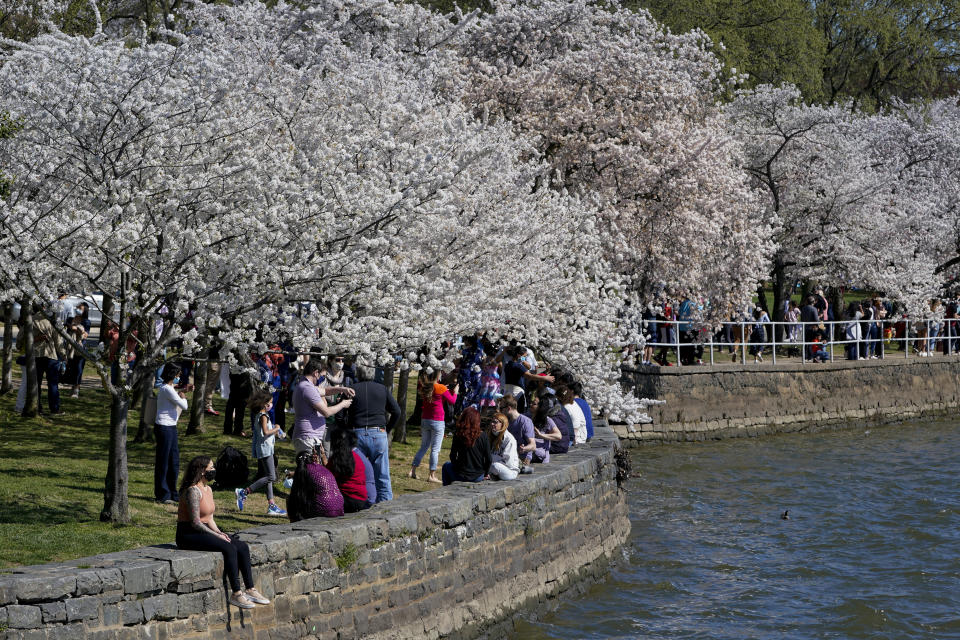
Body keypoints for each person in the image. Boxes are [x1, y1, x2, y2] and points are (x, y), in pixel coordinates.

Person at [176, 456, 269, 610]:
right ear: (201, 471)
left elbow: (209, 518)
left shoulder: (208, 489)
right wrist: (216, 536)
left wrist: (220, 532)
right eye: (211, 468)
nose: (214, 470)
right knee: (229, 548)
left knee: (242, 546)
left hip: (203, 530)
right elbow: (196, 522)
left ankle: (250, 589)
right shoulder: (193, 490)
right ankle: (236, 593)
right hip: (188, 534)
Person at [346, 361, 401, 502]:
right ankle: (385, 505)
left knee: (359, 472)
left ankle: (361, 501)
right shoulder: (382, 389)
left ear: (358, 373)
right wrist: (387, 429)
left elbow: (340, 414)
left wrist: (347, 429)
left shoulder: (351, 389)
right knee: (382, 474)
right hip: (378, 433)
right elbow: (396, 411)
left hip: (357, 432)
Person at [235, 391, 287, 516]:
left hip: (264, 448)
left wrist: (275, 430)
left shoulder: (261, 415)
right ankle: (245, 492)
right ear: (264, 404)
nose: (271, 405)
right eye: (270, 403)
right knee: (271, 477)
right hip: (266, 449)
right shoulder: (263, 416)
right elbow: (265, 431)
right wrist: (276, 428)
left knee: (268, 477)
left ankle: (272, 505)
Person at [291, 359, 354, 456]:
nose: (321, 378)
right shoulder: (307, 388)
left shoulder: (305, 385)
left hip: (309, 436)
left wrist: (343, 389)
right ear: (316, 373)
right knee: (312, 469)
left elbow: (325, 391)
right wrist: (343, 404)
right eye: (321, 375)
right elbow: (326, 412)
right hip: (308, 437)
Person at [409, 368, 458, 484]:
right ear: (437, 376)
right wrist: (455, 391)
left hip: (425, 420)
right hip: (437, 421)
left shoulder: (425, 386)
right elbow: (452, 401)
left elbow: (435, 390)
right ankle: (431, 475)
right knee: (435, 449)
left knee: (424, 446)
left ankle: (412, 470)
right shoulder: (440, 388)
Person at [155, 364, 190, 505]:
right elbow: (184, 406)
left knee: (173, 461)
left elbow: (174, 395)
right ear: (172, 375)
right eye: (177, 376)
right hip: (164, 427)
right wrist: (184, 396)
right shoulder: (165, 389)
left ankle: (172, 492)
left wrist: (181, 391)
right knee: (163, 461)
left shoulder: (169, 389)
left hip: (171, 427)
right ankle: (162, 493)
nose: (179, 378)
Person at [286, 447, 344, 521]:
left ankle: (296, 521)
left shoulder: (304, 470)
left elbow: (297, 493)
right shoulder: (321, 468)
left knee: (292, 497)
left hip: (325, 508)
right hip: (339, 506)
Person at [442, 407, 492, 485]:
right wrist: (485, 474)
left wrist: (457, 467)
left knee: (446, 466)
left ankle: (447, 489)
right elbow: (489, 459)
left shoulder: (458, 434)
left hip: (461, 474)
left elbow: (452, 455)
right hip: (478, 476)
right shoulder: (483, 436)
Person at [326, 427, 369, 513]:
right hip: (361, 499)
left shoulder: (336, 459)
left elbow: (327, 478)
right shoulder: (356, 457)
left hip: (348, 499)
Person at [500, 394, 535, 473]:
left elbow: (533, 445)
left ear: (508, 408)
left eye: (501, 408)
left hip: (522, 459)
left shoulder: (525, 422)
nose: (500, 411)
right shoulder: (506, 421)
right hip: (508, 454)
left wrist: (524, 448)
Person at [67, 303, 90, 398]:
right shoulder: (70, 319)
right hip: (70, 346)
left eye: (80, 308)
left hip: (80, 348)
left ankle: (76, 389)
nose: (78, 310)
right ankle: (72, 386)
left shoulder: (86, 322)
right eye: (77, 308)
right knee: (72, 368)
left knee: (79, 369)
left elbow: (85, 335)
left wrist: (78, 329)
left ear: (85, 310)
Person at [487, 412, 520, 481]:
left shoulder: (509, 439)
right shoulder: (491, 436)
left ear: (502, 424)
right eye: (491, 421)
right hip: (494, 467)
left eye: (495, 422)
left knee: (495, 466)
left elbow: (508, 462)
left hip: (509, 471)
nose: (492, 424)